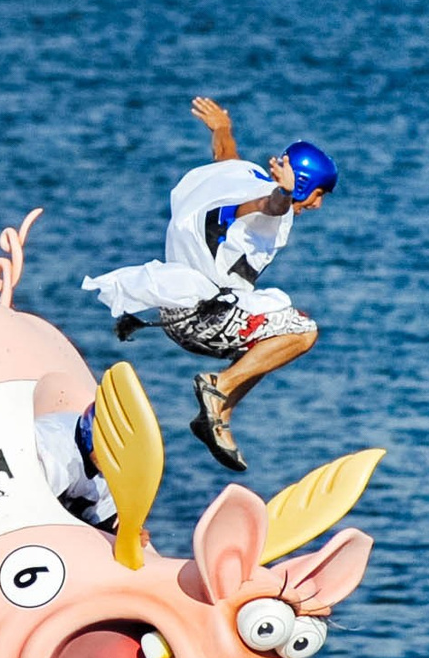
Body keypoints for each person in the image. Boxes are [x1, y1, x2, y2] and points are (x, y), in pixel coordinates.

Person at [82, 96, 337, 473]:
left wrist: (222, 128)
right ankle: (218, 388)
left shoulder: (239, 176)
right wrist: (284, 195)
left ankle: (216, 417)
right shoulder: (270, 206)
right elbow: (267, 208)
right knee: (302, 333)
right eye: (317, 195)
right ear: (302, 186)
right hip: (200, 319)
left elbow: (224, 155)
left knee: (269, 339)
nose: (317, 206)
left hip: (173, 308)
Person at [36, 403, 117, 531]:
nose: (112, 456)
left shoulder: (113, 481)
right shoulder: (52, 453)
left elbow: (104, 526)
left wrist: (125, 535)